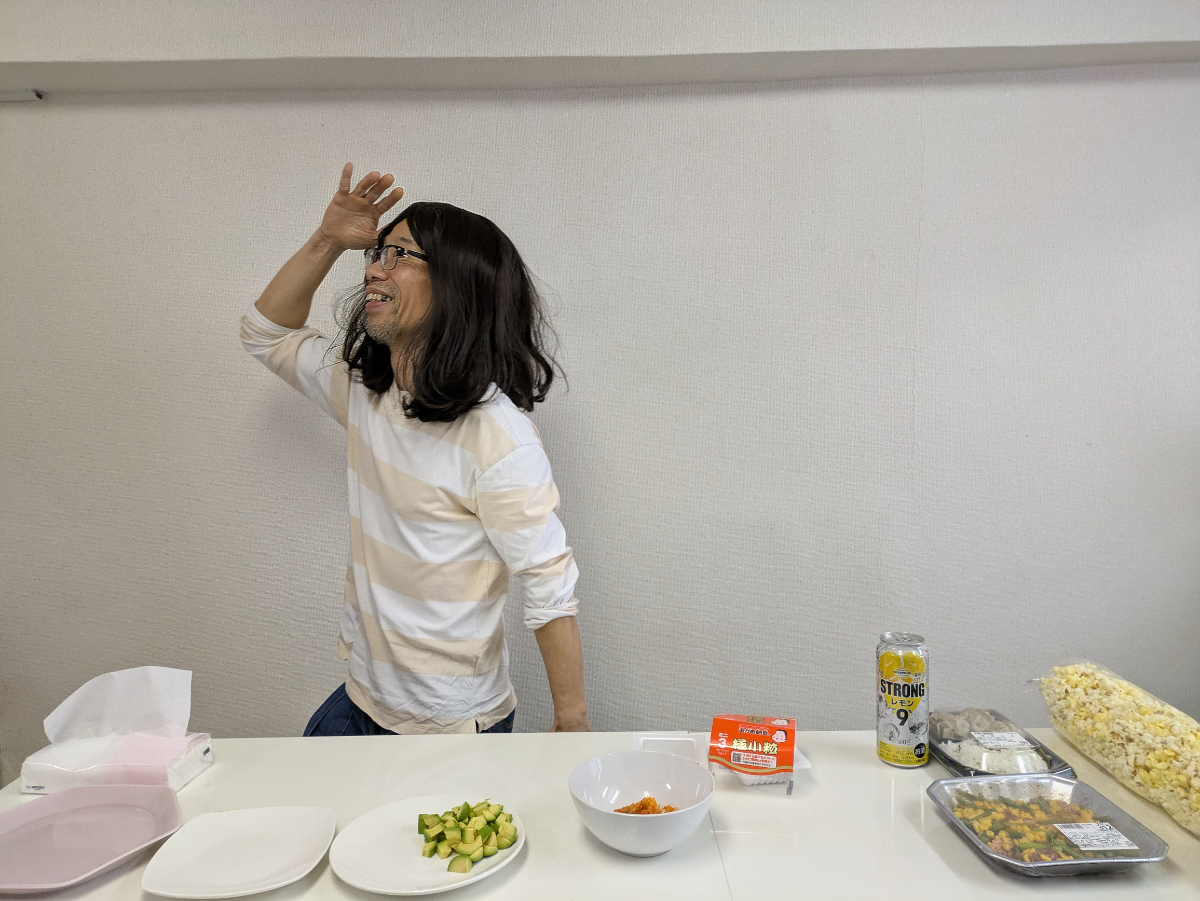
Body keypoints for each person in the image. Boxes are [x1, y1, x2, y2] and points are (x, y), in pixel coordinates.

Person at [240, 163, 590, 735]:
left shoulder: (496, 435)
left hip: (448, 724)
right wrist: (328, 239)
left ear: (456, 285)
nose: (374, 269)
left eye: (399, 255)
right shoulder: (364, 392)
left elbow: (549, 584)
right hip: (360, 696)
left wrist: (571, 722)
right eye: (377, 253)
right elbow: (265, 332)